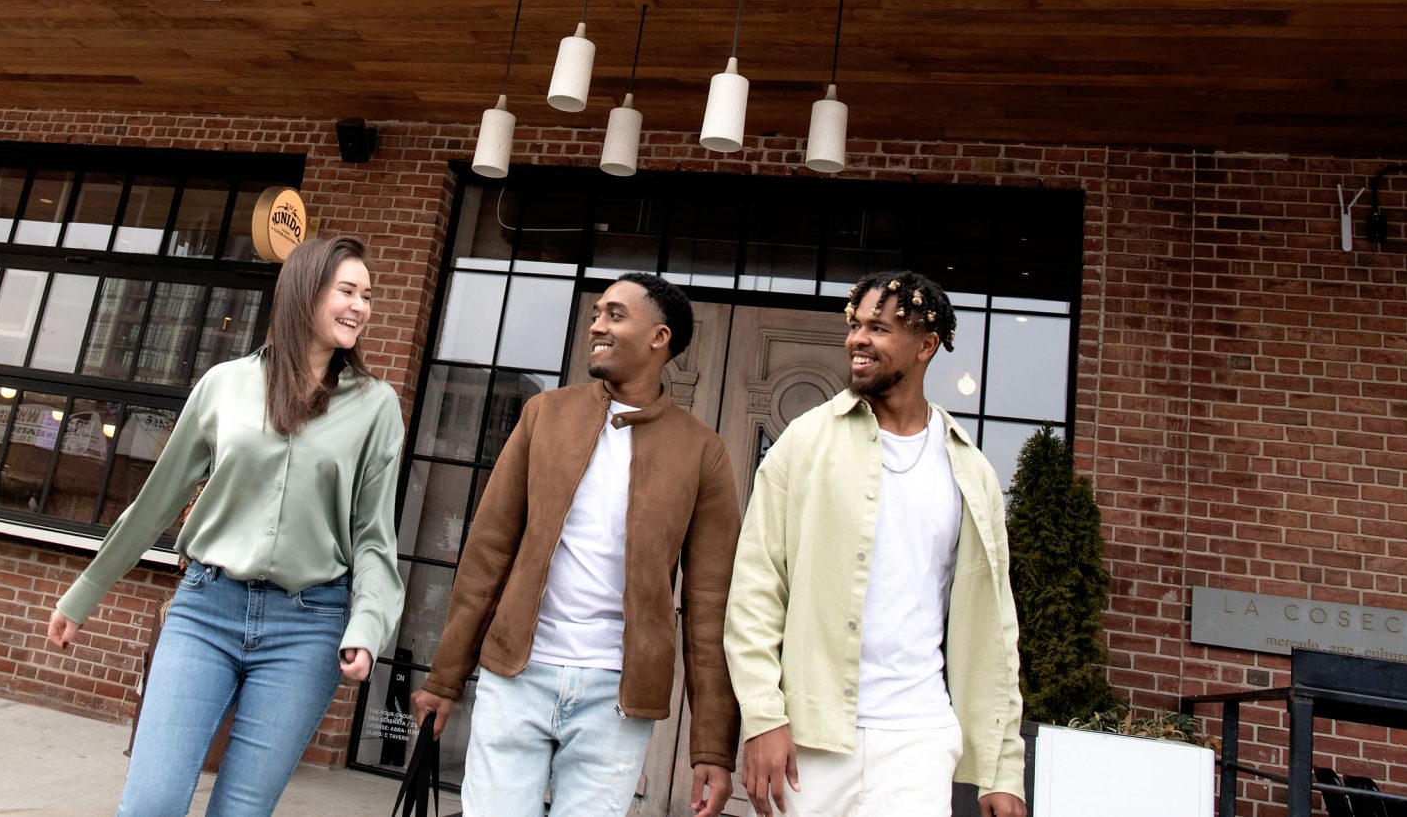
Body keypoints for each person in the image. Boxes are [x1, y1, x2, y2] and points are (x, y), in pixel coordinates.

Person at [44, 235, 405, 817]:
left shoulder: (376, 406)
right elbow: (157, 501)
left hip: (307, 627)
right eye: (347, 291)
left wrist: (367, 624)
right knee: (151, 803)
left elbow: (373, 536)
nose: (361, 307)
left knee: (240, 810)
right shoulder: (224, 384)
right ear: (304, 293)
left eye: (367, 295)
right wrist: (86, 591)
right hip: (205, 610)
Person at [410, 273, 741, 817]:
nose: (596, 326)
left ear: (660, 338)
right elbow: (488, 554)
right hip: (517, 675)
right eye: (596, 314)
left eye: (614, 314)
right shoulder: (546, 415)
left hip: (617, 696)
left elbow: (710, 608)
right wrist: (445, 677)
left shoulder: (702, 452)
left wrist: (711, 746)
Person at [725, 270, 1026, 817]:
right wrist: (764, 715)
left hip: (921, 734)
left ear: (926, 345)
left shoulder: (971, 470)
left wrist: (1003, 770)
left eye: (881, 328)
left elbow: (995, 626)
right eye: (857, 325)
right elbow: (756, 586)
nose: (858, 339)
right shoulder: (805, 441)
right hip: (813, 736)